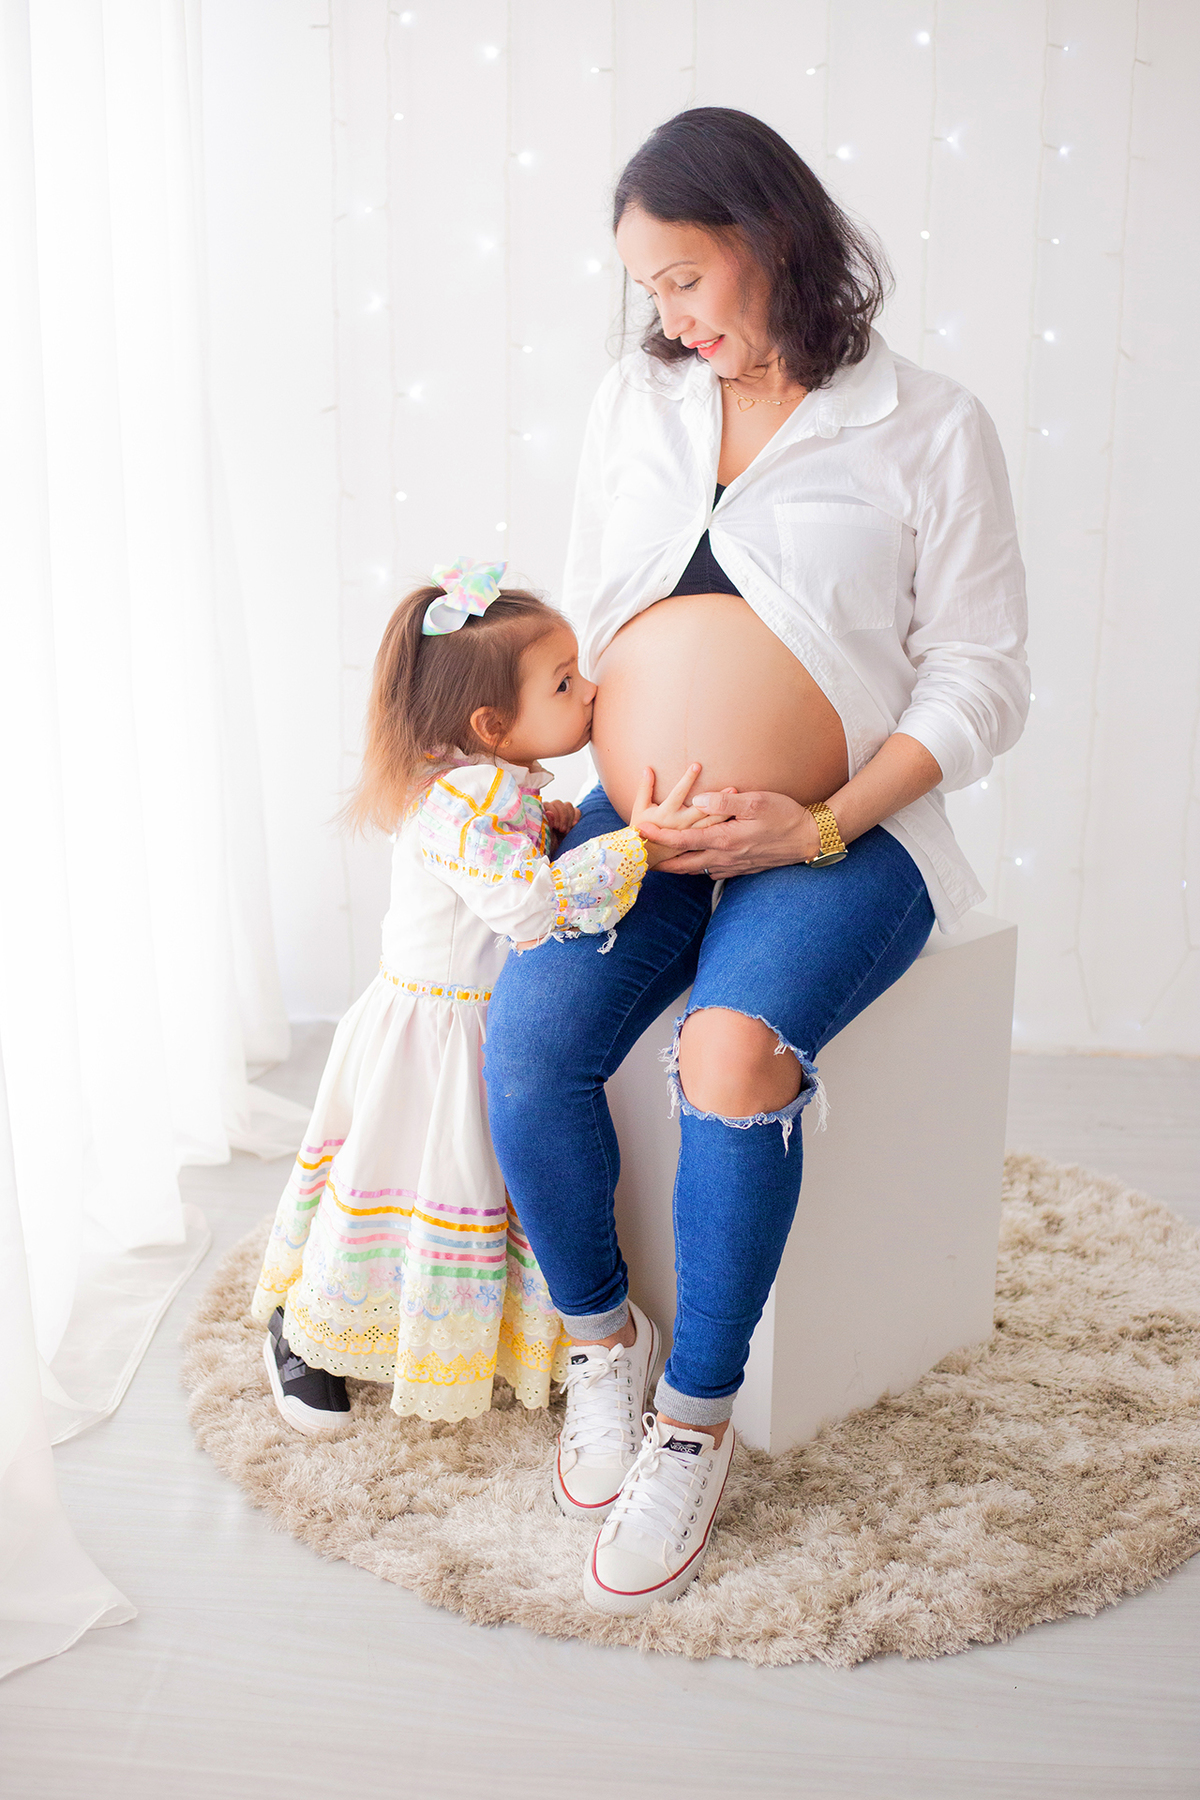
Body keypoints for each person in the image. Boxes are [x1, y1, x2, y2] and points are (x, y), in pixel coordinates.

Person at [484, 107, 1030, 1615]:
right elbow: (597, 617)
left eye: (684, 279)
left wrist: (823, 817)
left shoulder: (928, 425)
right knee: (526, 1043)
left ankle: (693, 1422)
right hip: (646, 830)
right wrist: (576, 792)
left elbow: (984, 676)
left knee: (730, 1057)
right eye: (647, 290)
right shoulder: (634, 403)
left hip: (843, 835)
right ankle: (606, 1349)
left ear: (771, 241)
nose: (665, 316)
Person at [251, 559, 721, 1433]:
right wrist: (639, 848)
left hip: (469, 1017)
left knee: (473, 1190)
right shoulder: (465, 804)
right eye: (565, 682)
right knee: (404, 1183)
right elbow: (531, 907)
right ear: (492, 724)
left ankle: (446, 1332)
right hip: (432, 1029)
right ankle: (308, 1333)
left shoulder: (492, 785)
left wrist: (561, 829)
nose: (592, 691)